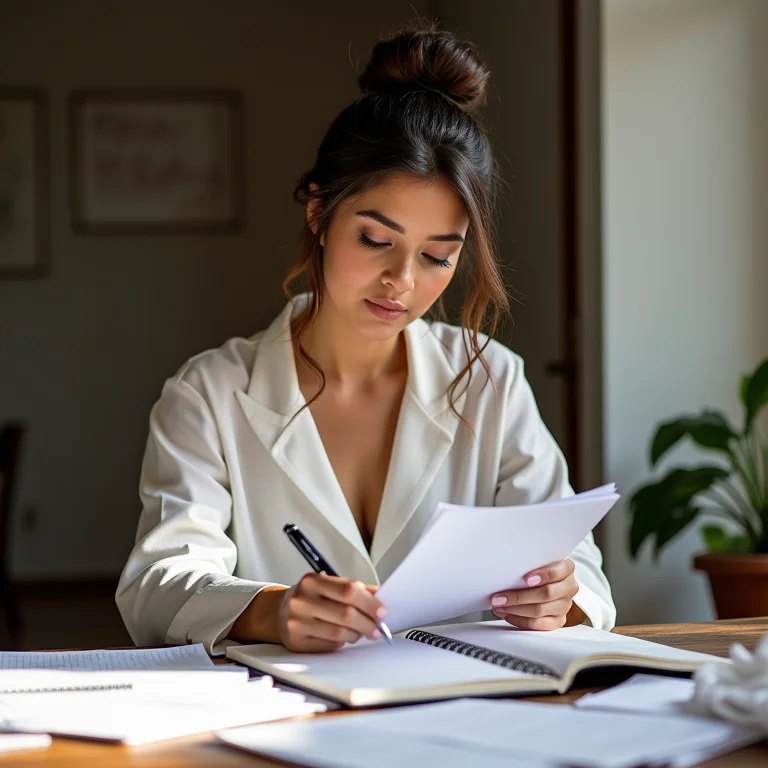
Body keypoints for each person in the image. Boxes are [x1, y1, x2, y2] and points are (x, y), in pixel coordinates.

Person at [116, 27, 615, 655]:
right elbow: (157, 585)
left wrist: (559, 596)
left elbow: (583, 573)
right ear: (318, 214)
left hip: (463, 712)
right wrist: (271, 610)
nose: (401, 283)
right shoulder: (210, 393)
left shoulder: (491, 380)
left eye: (437, 256)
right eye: (376, 241)